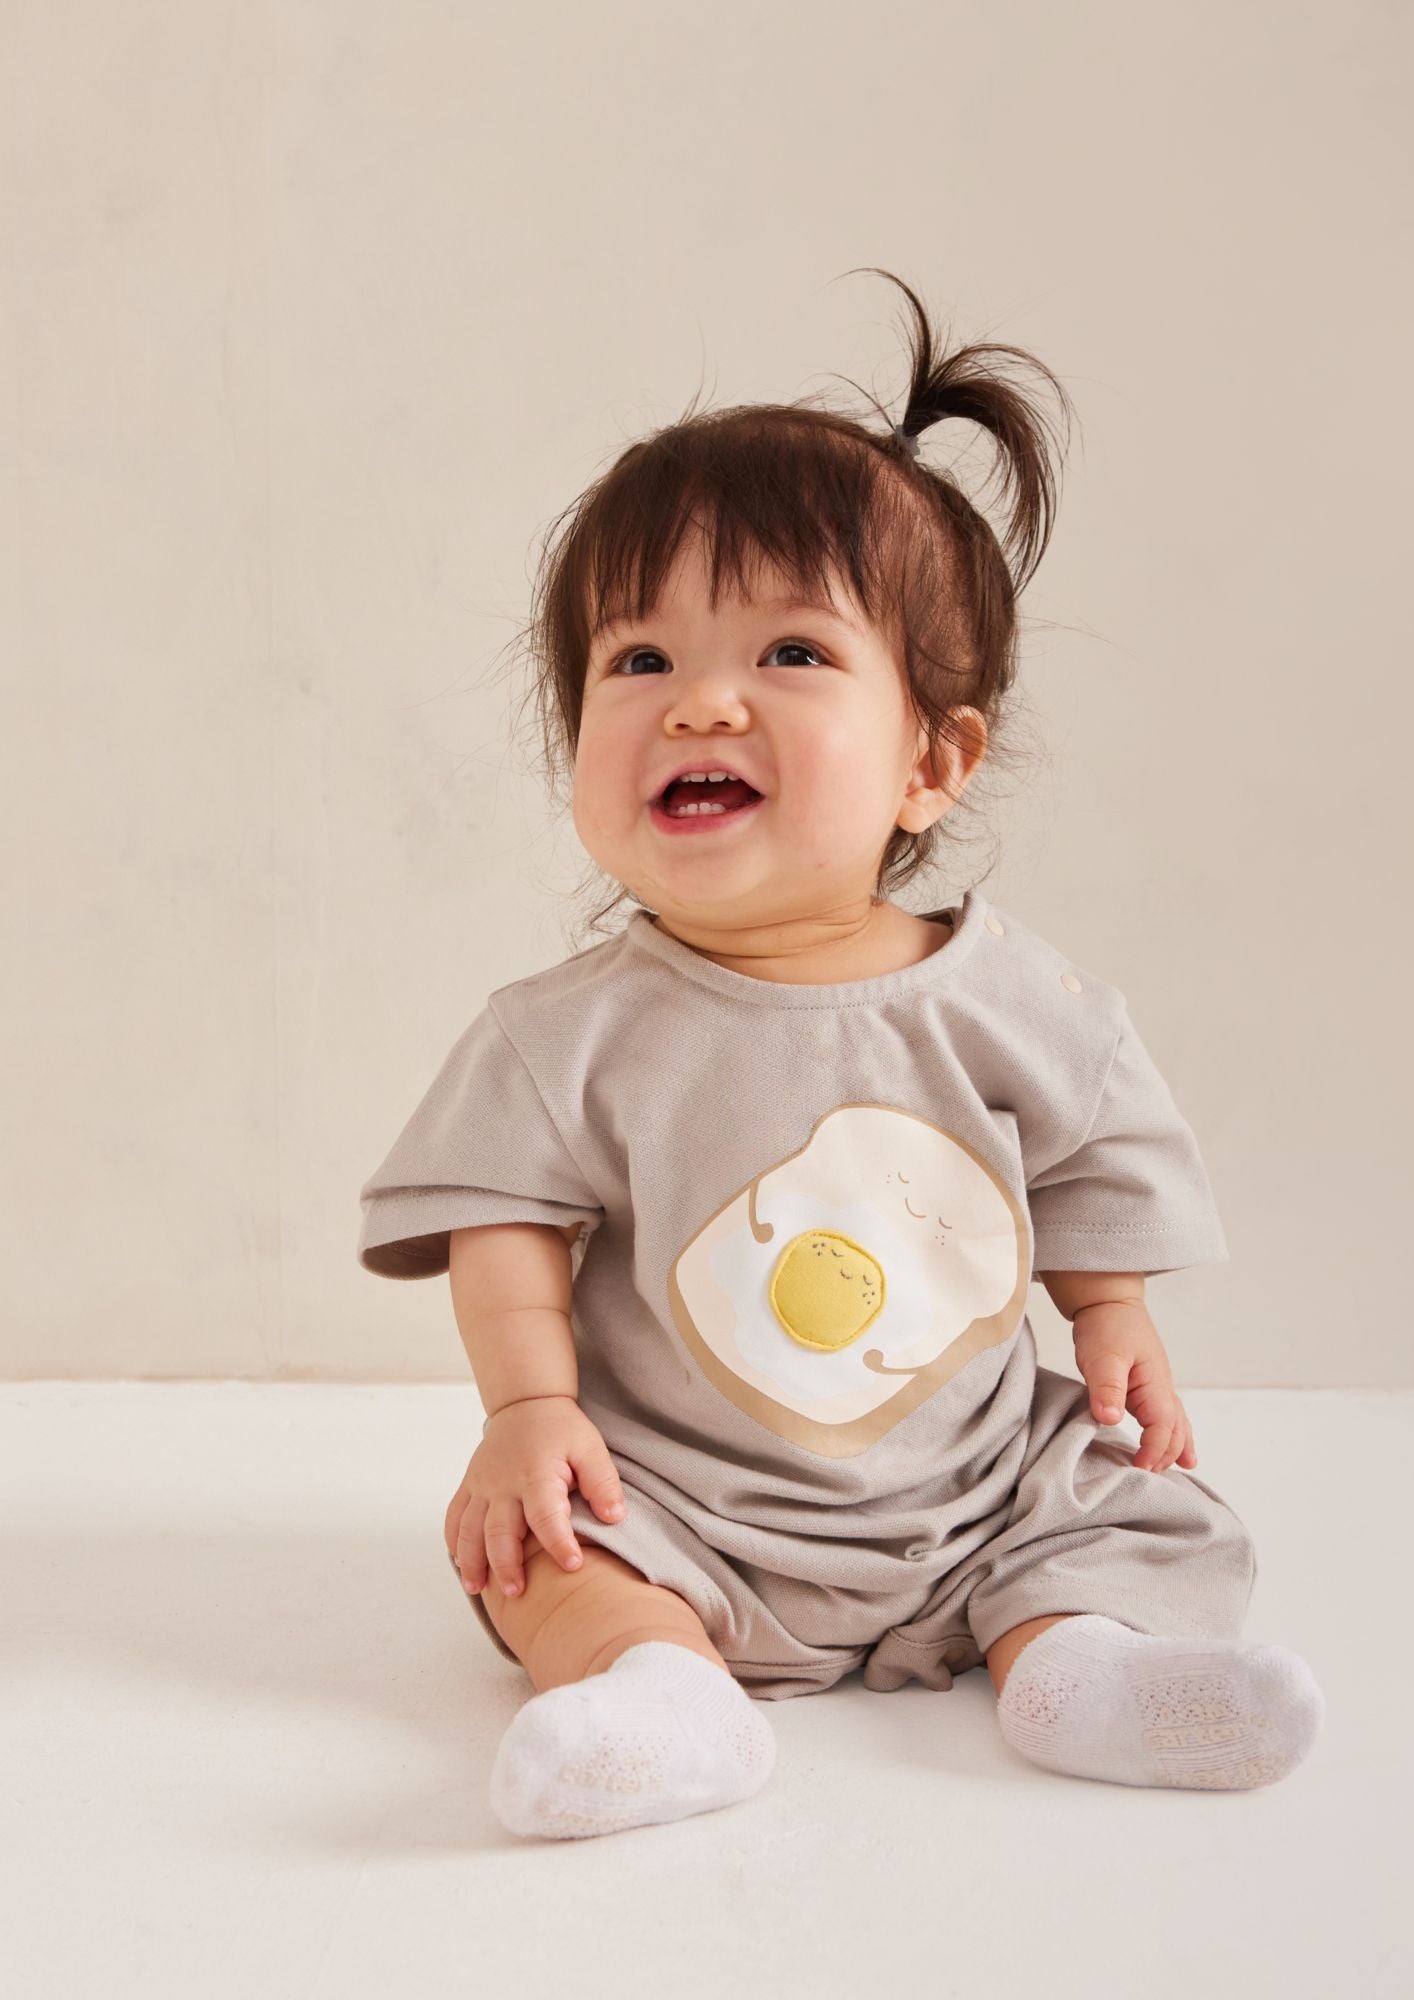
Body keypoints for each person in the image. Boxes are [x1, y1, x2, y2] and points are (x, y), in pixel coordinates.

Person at [356, 269, 1325, 1841]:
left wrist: (1114, 1312)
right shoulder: (565, 1035)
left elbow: (1092, 1155)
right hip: (682, 1506)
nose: (700, 702)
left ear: (933, 760)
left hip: (977, 1487)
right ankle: (666, 1693)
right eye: (637, 661)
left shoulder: (1022, 1001)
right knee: (541, 1557)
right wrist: (528, 1410)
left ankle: (1076, 1665)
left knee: (1129, 1499)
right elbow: (503, 1222)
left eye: (792, 654)